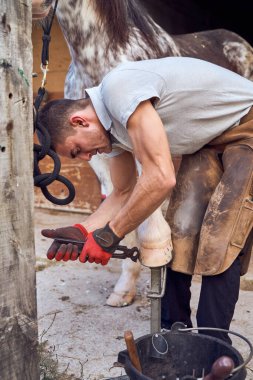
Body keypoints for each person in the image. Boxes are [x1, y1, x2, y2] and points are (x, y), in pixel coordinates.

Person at [38, 57, 253, 343]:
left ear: (80, 121)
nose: (87, 158)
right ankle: (176, 341)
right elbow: (124, 191)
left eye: (77, 150)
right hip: (211, 141)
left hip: (248, 124)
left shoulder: (120, 91)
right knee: (180, 235)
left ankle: (215, 352)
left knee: (220, 239)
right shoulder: (110, 130)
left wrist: (110, 235)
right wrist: (85, 229)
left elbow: (160, 177)